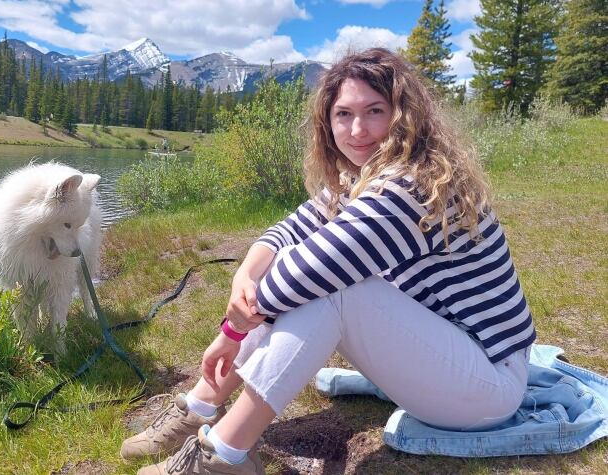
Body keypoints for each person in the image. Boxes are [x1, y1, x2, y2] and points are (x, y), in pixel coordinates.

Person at [121, 48, 536, 474]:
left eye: (375, 110)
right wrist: (244, 274)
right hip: (456, 356)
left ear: (403, 115)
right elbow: (288, 231)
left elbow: (306, 273)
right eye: (343, 114)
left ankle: (224, 457)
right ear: (328, 122)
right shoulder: (366, 176)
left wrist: (231, 331)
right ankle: (201, 406)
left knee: (334, 288)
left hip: (488, 386)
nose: (357, 129)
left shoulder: (411, 186)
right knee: (309, 273)